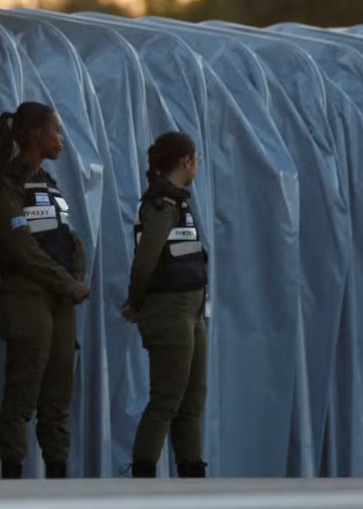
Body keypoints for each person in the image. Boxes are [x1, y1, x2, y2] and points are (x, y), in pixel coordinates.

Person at [0, 102, 90, 479]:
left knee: (57, 404)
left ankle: (57, 487)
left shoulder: (47, 182)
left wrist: (74, 277)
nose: (61, 139)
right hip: (27, 297)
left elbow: (67, 236)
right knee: (21, 400)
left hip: (60, 300)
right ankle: (13, 487)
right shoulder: (9, 182)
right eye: (56, 130)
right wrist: (67, 282)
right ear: (35, 135)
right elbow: (21, 247)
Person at [122, 130, 209, 479]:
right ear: (187, 162)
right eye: (196, 159)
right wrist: (135, 302)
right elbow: (145, 261)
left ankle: (192, 475)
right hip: (170, 310)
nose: (198, 165)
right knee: (166, 399)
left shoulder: (179, 201)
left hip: (192, 311)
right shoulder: (160, 204)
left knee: (192, 400)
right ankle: (143, 479)